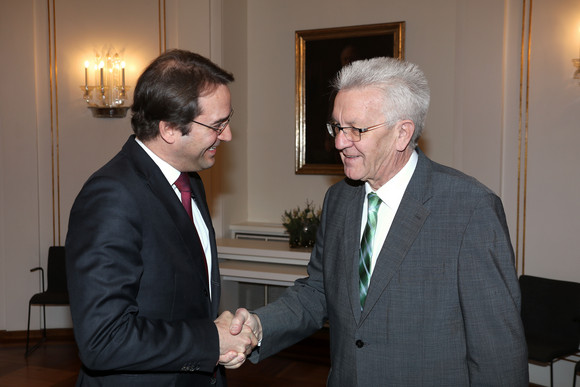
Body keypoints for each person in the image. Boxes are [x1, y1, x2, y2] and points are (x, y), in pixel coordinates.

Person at [231, 57, 529, 386]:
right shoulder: (340, 199)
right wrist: (258, 326)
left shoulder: (469, 208)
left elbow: (497, 349)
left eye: (356, 129)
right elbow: (319, 291)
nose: (340, 142)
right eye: (337, 127)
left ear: (402, 133)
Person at [65, 49, 256, 387]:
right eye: (216, 125)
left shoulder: (189, 179)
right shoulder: (111, 196)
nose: (227, 135)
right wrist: (211, 341)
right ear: (169, 128)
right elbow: (103, 340)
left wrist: (221, 334)